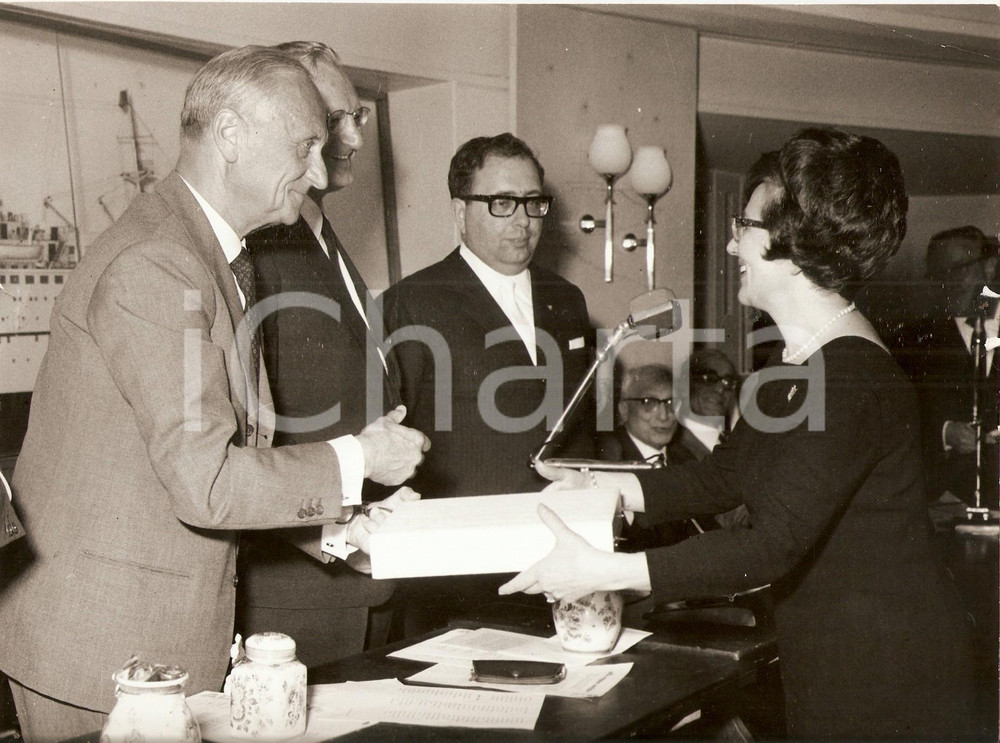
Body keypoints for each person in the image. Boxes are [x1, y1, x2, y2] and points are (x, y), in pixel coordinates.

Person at [0, 46, 425, 740]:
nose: (319, 172)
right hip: (101, 652)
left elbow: (196, 456)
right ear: (230, 135)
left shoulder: (206, 251)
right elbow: (204, 479)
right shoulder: (160, 262)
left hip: (139, 641)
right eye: (305, 146)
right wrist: (356, 458)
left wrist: (334, 524)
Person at [501, 128, 975, 740]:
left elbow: (770, 543)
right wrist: (598, 485)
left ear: (794, 243)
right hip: (837, 646)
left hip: (888, 666)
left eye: (743, 226)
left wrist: (605, 569)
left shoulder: (852, 373)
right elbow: (723, 478)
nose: (731, 246)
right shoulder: (793, 365)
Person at [238, 41, 419, 667]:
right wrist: (330, 533)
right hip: (298, 596)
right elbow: (242, 440)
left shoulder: (317, 229)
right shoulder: (255, 250)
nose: (352, 138)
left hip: (370, 576)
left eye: (356, 118)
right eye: (331, 120)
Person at [381, 132, 593, 632]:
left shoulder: (567, 299)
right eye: (502, 203)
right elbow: (391, 439)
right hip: (457, 576)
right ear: (460, 212)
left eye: (533, 203)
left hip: (558, 558)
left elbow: (580, 424)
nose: (522, 220)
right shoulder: (413, 302)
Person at [897, 226, 999, 510]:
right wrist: (945, 432)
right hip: (948, 503)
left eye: (958, 270)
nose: (948, 283)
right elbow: (898, 422)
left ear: (989, 268)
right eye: (938, 275)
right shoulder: (912, 342)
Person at [597, 363, 696, 549]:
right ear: (624, 409)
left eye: (672, 403)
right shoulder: (607, 460)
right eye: (649, 403)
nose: (664, 416)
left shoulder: (685, 457)